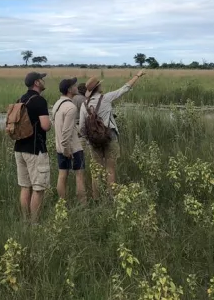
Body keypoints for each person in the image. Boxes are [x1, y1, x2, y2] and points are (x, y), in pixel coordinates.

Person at [79, 70, 146, 198]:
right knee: (110, 169)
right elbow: (125, 88)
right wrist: (137, 75)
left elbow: (82, 127)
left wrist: (90, 139)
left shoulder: (84, 105)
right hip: (110, 137)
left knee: (96, 171)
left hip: (93, 142)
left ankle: (96, 198)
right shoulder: (106, 98)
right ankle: (111, 197)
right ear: (98, 87)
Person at [14, 71, 51, 223]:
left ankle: (25, 220)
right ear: (36, 82)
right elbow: (46, 126)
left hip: (19, 148)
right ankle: (35, 223)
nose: (43, 81)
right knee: (38, 188)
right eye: (42, 79)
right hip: (35, 150)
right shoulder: (39, 101)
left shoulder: (20, 99)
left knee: (24, 186)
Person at [52, 77, 86, 204]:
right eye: (74, 85)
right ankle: (83, 205)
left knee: (62, 175)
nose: (76, 86)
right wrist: (67, 149)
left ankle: (62, 205)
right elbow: (66, 131)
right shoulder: (71, 107)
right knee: (80, 177)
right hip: (72, 148)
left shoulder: (57, 104)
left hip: (60, 147)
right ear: (69, 89)